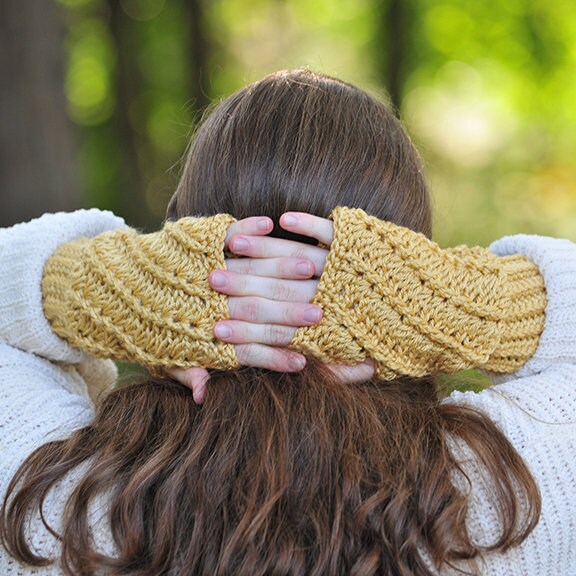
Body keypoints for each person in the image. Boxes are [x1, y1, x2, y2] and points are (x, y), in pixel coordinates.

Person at [0, 69, 575, 576]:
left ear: (179, 240)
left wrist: (117, 295)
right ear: (413, 256)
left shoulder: (60, 500)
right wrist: (456, 305)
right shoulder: (502, 497)